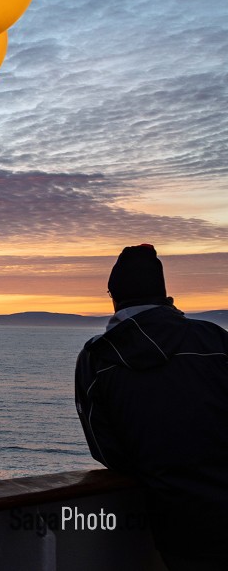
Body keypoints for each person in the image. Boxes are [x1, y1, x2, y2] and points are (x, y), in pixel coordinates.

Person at [75, 244, 228, 569]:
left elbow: (107, 451)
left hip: (181, 524)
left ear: (113, 296)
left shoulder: (97, 358)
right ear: (164, 294)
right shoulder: (214, 339)